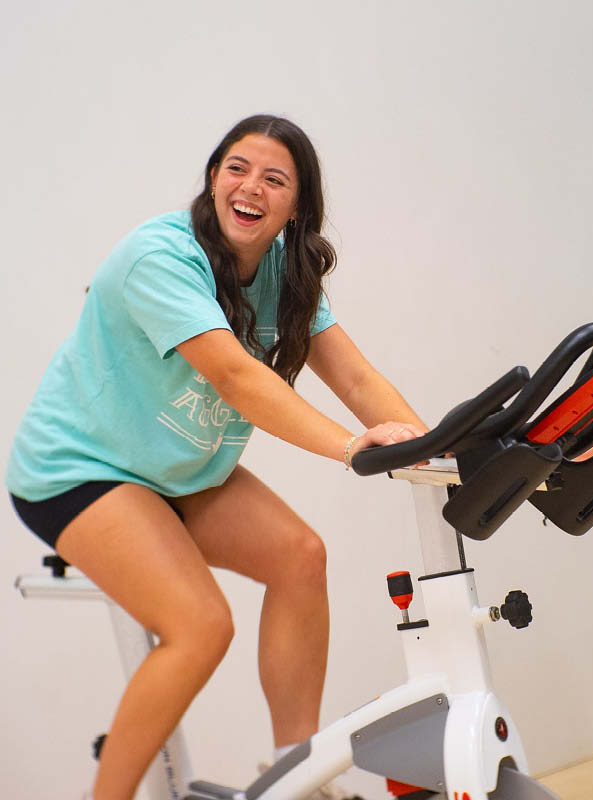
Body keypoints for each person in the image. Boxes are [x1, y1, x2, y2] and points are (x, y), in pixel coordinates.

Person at [6, 114, 427, 800]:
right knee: (200, 626)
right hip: (79, 469)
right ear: (213, 177)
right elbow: (236, 378)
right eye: (237, 167)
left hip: (178, 471)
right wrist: (351, 448)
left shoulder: (287, 273)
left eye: (274, 178)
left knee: (301, 556)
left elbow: (354, 377)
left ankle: (297, 776)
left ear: (297, 206)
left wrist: (435, 447)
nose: (250, 186)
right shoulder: (162, 256)